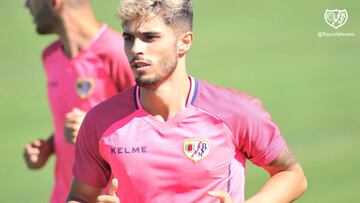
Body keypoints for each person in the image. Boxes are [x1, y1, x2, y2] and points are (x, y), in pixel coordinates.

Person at [67, 0, 308, 202]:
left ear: (185, 42)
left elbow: (291, 175)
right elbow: (80, 197)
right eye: (129, 38)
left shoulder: (235, 112)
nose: (136, 49)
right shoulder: (100, 121)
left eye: (149, 37)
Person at [23, 0, 135, 202]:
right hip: (65, 196)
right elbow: (69, 126)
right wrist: (49, 146)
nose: (26, 5)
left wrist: (92, 129)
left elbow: (154, 121)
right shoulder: (50, 56)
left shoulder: (120, 52)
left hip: (109, 197)